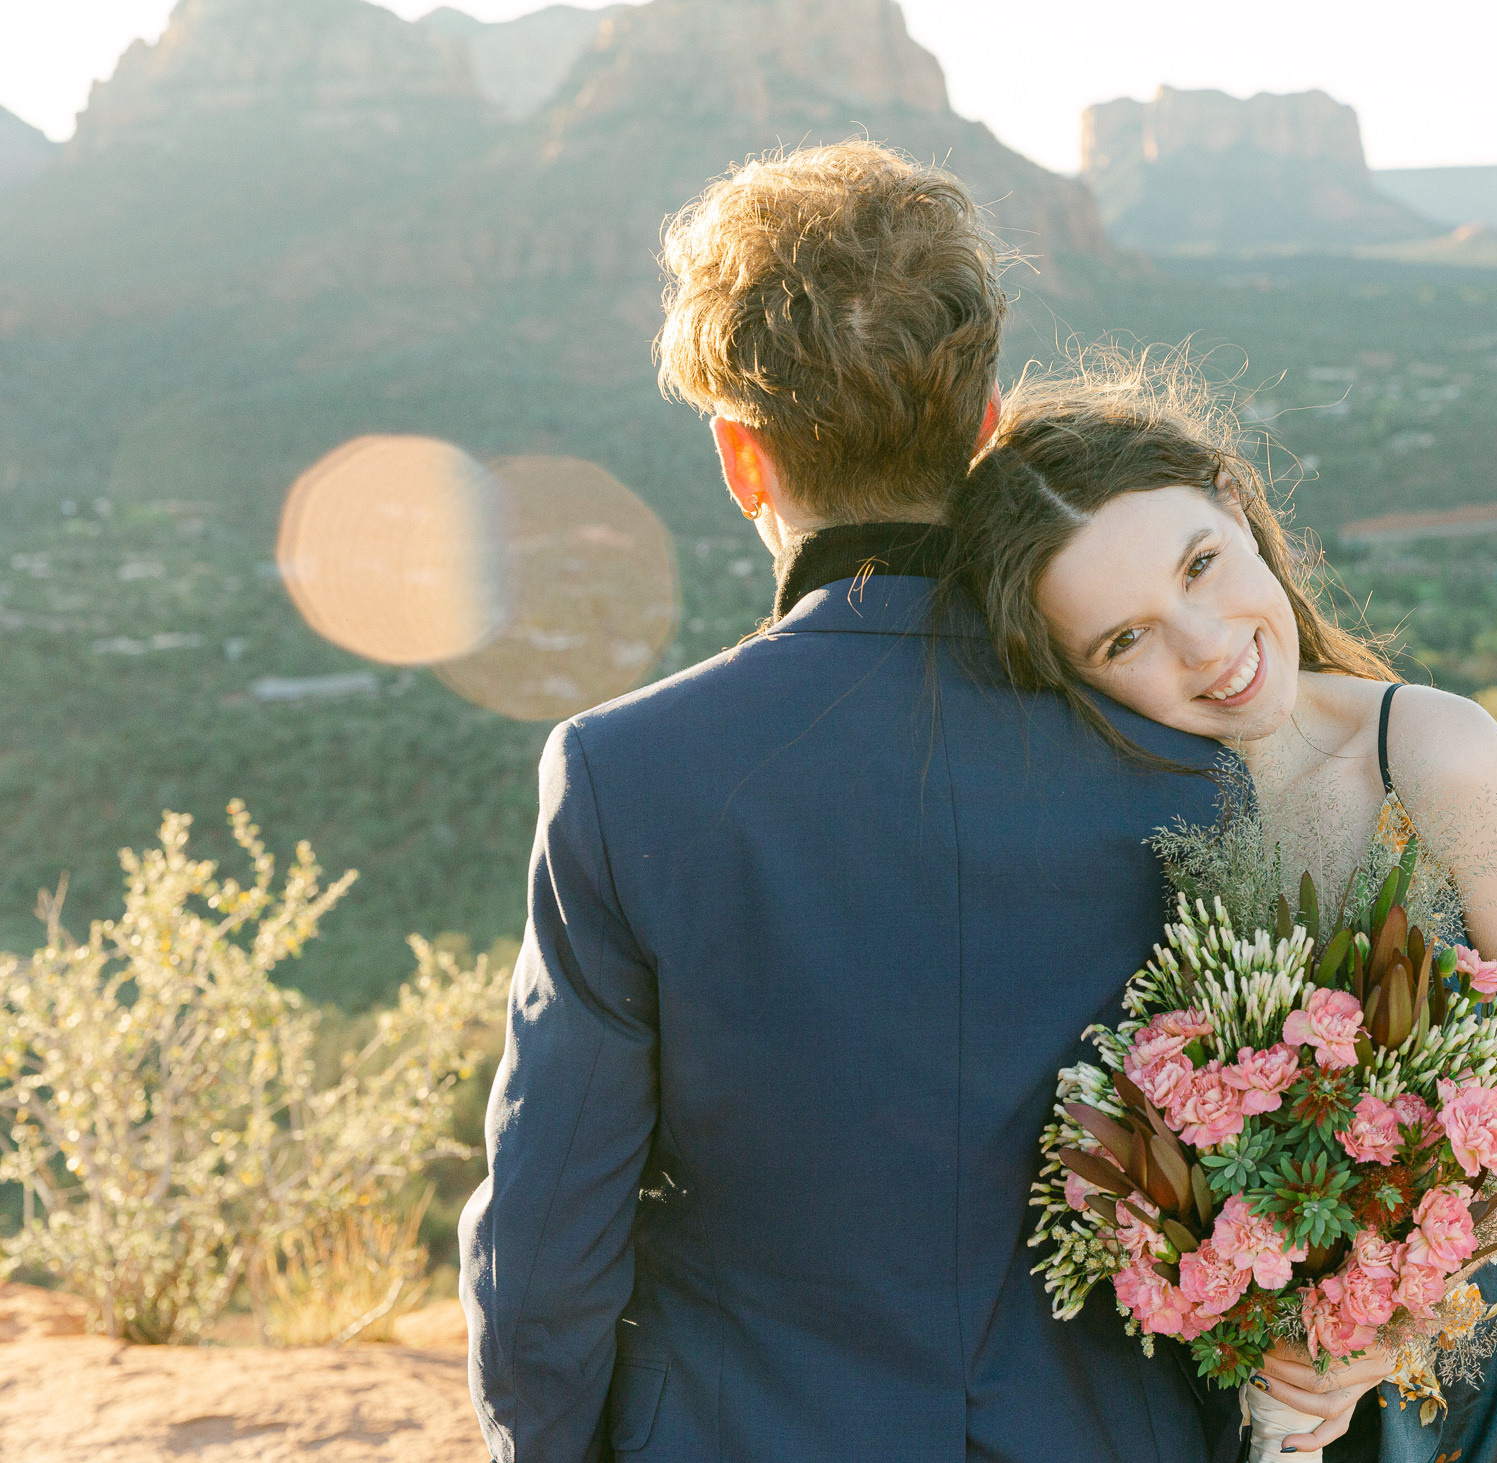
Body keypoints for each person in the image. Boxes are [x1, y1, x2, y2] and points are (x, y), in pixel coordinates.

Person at [456, 143, 1243, 1462]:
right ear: (986, 415)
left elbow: (546, 1243)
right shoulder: (1182, 751)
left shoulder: (623, 774)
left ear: (740, 459)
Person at [944, 356, 1497, 1463]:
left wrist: (1386, 1309)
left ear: (1235, 506)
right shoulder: (1068, 828)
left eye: (1201, 564)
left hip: (1447, 1363)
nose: (1208, 644)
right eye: (1123, 639)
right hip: (1174, 1385)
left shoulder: (1432, 753)